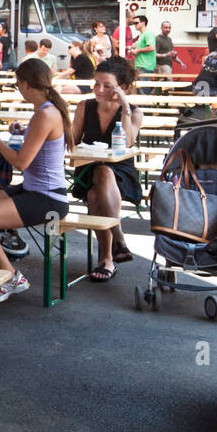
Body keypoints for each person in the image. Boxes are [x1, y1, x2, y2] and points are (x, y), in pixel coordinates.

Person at [0, 58, 73, 311]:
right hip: (39, 190)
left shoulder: (45, 114)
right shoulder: (47, 111)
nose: (19, 89)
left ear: (26, 85)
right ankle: (9, 277)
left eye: (18, 85)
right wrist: (20, 132)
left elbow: (21, 162)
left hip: (47, 197)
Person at [68, 58, 143, 281]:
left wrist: (125, 108)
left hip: (121, 172)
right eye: (96, 84)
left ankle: (106, 259)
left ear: (123, 88)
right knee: (98, 177)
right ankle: (117, 238)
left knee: (98, 187)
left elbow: (127, 144)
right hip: (88, 168)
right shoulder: (85, 106)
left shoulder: (135, 113)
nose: (99, 90)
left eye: (107, 86)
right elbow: (72, 141)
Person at [128, 14, 156, 85]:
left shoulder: (148, 33)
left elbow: (152, 47)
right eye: (134, 23)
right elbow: (136, 48)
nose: (134, 25)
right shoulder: (142, 35)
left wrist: (137, 50)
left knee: (144, 90)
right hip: (141, 66)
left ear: (143, 23)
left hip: (145, 66)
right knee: (140, 90)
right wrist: (132, 51)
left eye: (136, 23)